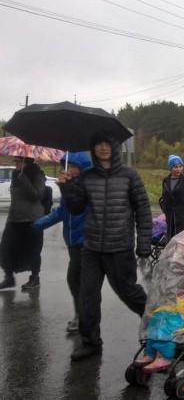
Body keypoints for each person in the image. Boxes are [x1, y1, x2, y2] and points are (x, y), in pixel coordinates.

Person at [57, 132, 152, 360]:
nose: (103, 147)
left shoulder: (129, 176)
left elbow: (143, 210)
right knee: (87, 297)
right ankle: (91, 343)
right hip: (91, 248)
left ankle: (159, 325)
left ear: (115, 147)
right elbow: (77, 208)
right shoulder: (87, 177)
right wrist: (67, 188)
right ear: (93, 149)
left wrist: (144, 245)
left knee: (129, 294)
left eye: (107, 143)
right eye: (98, 144)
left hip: (119, 247)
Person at [31, 152, 91, 332]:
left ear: (81, 168)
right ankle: (82, 316)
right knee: (77, 281)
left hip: (85, 242)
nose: (68, 170)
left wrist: (69, 188)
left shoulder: (87, 186)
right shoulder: (68, 186)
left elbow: (83, 209)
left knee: (76, 280)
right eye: (66, 166)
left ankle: (83, 318)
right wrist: (36, 225)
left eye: (72, 166)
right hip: (72, 242)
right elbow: (60, 212)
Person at [0, 156, 47, 290]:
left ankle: (34, 277)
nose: (16, 164)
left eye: (19, 162)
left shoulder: (37, 175)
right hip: (15, 218)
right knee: (6, 248)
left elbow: (37, 195)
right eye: (15, 161)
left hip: (32, 218)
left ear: (27, 162)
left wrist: (25, 181)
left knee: (33, 249)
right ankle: (9, 277)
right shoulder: (16, 174)